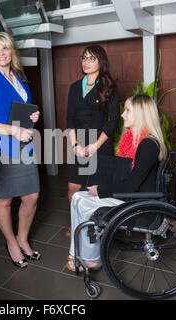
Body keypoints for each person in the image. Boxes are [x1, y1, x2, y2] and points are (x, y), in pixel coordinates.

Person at [66, 94, 168, 272]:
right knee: (76, 197)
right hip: (130, 193)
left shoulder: (148, 145)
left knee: (83, 203)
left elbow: (130, 185)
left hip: (136, 200)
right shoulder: (134, 139)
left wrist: (101, 190)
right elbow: (126, 174)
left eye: (128, 110)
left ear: (141, 114)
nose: (122, 115)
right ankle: (76, 253)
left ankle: (91, 259)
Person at [0, 32, 41, 268]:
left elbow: (23, 111)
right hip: (2, 146)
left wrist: (33, 115)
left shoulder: (21, 79)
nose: (1, 53)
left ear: (12, 50)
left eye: (5, 48)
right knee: (4, 200)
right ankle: (11, 242)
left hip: (25, 144)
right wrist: (13, 131)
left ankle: (23, 238)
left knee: (31, 196)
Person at [65, 44, 120, 238]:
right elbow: (69, 120)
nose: (86, 62)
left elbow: (113, 121)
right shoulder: (74, 87)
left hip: (100, 144)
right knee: (73, 187)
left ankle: (96, 227)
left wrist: (96, 146)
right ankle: (75, 222)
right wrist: (75, 145)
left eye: (92, 58)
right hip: (79, 144)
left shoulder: (109, 86)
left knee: (94, 189)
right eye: (84, 58)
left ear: (101, 61)